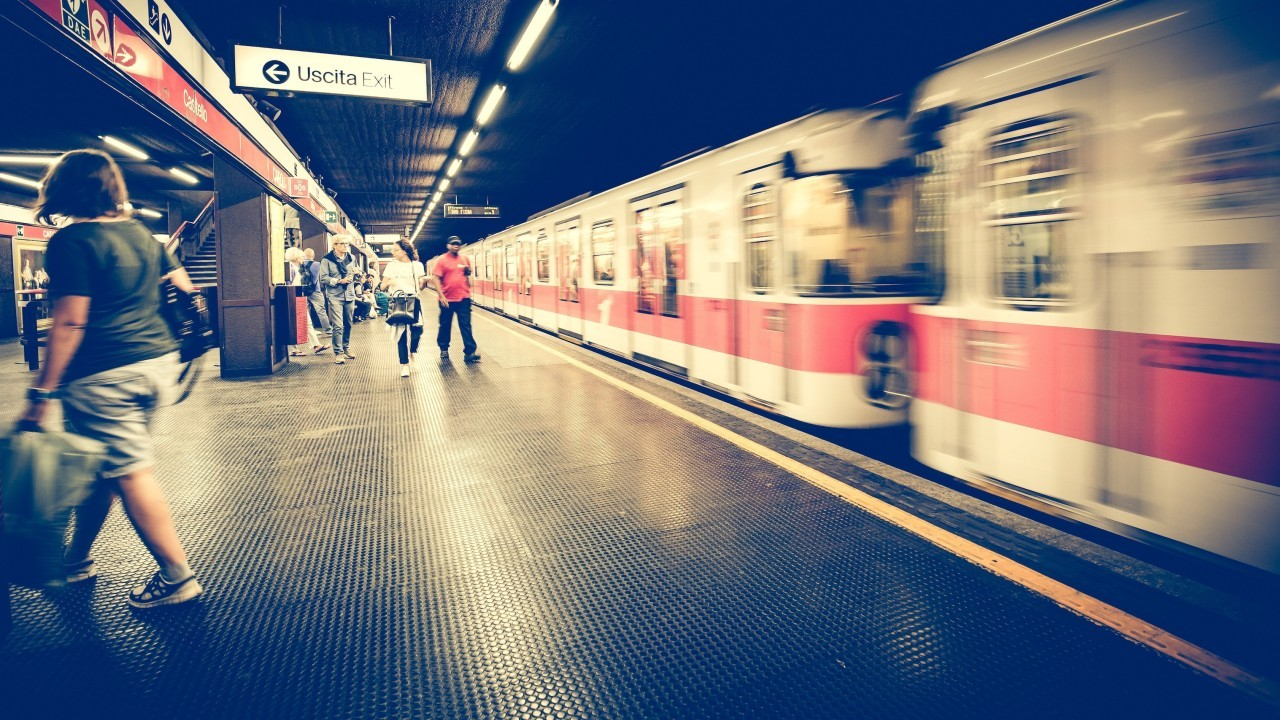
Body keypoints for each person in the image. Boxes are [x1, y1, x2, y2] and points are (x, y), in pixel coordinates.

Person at [17, 149, 202, 608]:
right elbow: (184, 287)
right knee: (102, 469)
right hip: (156, 363)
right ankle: (76, 559)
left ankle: (177, 576)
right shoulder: (140, 234)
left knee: (131, 472)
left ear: (63, 188)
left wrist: (41, 392)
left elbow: (70, 322)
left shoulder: (71, 242)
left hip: (104, 374)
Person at [381, 239, 428, 377]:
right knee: (401, 334)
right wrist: (389, 282)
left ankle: (412, 352)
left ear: (405, 250)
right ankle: (404, 365)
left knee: (418, 330)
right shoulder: (391, 266)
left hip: (414, 300)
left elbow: (421, 287)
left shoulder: (417, 265)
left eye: (396, 249)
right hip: (398, 301)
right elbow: (382, 286)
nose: (393, 252)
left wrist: (423, 282)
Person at [429, 236, 479, 363]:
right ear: (448, 246)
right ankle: (444, 348)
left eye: (458, 244)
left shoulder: (465, 259)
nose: (456, 246)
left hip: (464, 298)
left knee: (466, 325)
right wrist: (441, 296)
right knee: (445, 325)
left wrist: (468, 273)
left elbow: (468, 275)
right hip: (447, 299)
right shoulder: (441, 260)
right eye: (453, 244)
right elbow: (435, 278)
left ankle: (470, 352)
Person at [320, 237, 358, 364]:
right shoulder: (327, 260)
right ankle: (338, 352)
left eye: (346, 243)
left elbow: (356, 272)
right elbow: (323, 278)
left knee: (348, 323)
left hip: (349, 295)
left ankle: (346, 348)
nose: (345, 246)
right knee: (338, 325)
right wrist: (339, 281)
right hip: (335, 296)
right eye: (342, 243)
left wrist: (357, 272)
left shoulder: (351, 258)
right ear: (334, 245)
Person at [285, 247, 328, 357]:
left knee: (305, 322)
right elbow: (289, 285)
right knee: (294, 323)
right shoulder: (290, 268)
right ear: (296, 258)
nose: (303, 259)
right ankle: (294, 349)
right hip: (293, 299)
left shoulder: (294, 268)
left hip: (296, 298)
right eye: (301, 257)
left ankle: (315, 345)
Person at [302, 247, 330, 335]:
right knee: (321, 311)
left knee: (306, 311)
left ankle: (309, 330)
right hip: (315, 290)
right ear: (313, 255)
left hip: (303, 291)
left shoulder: (300, 264)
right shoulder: (317, 264)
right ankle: (328, 330)